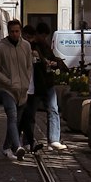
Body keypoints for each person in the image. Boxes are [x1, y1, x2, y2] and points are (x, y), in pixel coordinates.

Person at [0, 18, 33, 162]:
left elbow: (29, 66)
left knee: (16, 121)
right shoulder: (1, 47)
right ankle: (18, 146)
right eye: (13, 32)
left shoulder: (26, 46)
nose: (15, 34)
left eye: (17, 31)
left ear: (20, 31)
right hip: (7, 90)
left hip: (22, 90)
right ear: (8, 32)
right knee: (12, 117)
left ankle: (6, 147)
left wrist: (26, 82)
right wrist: (8, 82)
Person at [32, 21, 70, 150]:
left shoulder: (45, 46)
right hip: (37, 83)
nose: (44, 38)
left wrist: (53, 63)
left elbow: (52, 59)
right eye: (43, 36)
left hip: (48, 82)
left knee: (53, 109)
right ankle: (28, 140)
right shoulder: (32, 46)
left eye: (45, 36)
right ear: (37, 34)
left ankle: (54, 139)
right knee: (31, 112)